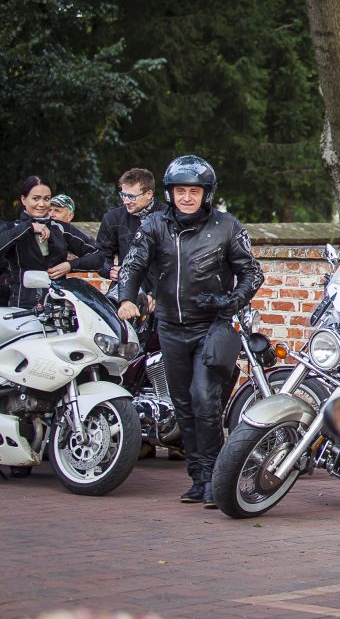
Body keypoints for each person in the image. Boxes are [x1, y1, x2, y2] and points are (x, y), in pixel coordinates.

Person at [116, 156, 263, 508]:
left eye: (194, 191)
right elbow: (133, 264)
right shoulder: (154, 224)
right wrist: (127, 298)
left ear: (206, 193)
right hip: (169, 325)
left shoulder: (227, 226)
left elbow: (252, 273)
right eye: (180, 190)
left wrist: (232, 300)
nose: (186, 197)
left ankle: (214, 478)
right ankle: (198, 478)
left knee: (204, 398)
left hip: (212, 325)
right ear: (170, 193)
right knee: (182, 403)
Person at [0, 176, 99, 307]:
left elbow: (99, 255)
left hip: (57, 309)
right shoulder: (12, 228)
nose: (42, 204)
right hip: (18, 307)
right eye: (36, 198)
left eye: (46, 199)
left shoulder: (61, 228)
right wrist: (28, 227)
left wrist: (70, 266)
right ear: (23, 200)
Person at [72, 168, 166, 292]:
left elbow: (175, 261)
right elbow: (101, 255)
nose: (125, 201)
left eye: (131, 196)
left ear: (149, 194)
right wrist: (111, 270)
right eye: (123, 195)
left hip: (162, 288)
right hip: (125, 286)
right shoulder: (113, 217)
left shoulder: (168, 216)